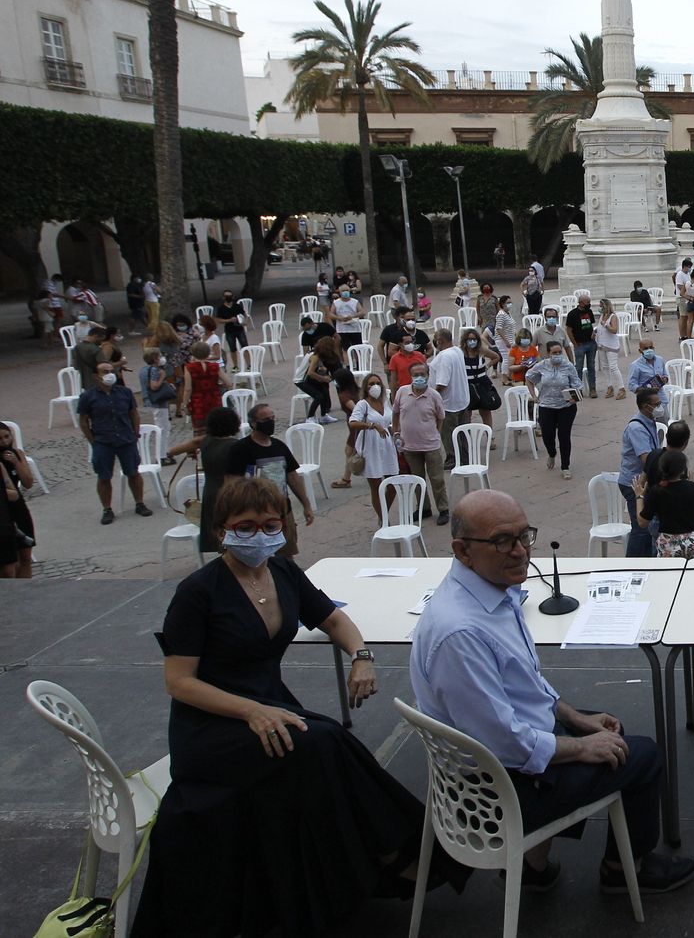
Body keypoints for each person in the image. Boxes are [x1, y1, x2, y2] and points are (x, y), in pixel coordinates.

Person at [132, 477, 454, 938]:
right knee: (323, 743)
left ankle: (388, 857)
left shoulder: (282, 572)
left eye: (269, 524)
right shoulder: (198, 592)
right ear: (222, 531)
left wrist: (360, 656)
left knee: (328, 745)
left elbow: (334, 618)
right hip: (212, 727)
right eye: (246, 526)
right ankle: (394, 854)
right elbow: (179, 683)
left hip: (271, 706)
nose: (260, 534)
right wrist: (250, 712)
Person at [411, 489, 694, 894]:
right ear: (462, 550)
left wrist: (577, 719)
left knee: (608, 730)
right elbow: (506, 743)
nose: (520, 551)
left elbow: (524, 683)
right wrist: (582, 747)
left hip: (502, 758)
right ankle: (621, 870)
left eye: (524, 536)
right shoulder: (460, 632)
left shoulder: (487, 590)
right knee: (642, 753)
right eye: (502, 541)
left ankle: (532, 867)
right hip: (497, 791)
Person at [224, 404, 316, 558]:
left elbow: (292, 476)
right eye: (266, 419)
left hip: (281, 510)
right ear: (253, 423)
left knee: (286, 554)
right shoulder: (240, 449)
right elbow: (231, 482)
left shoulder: (279, 446)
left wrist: (306, 505)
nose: (271, 422)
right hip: (254, 512)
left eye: (272, 418)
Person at [75, 358, 150, 525]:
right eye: (105, 372)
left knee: (133, 472)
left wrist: (135, 433)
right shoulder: (88, 396)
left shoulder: (125, 392)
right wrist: (93, 441)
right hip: (103, 441)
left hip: (126, 439)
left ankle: (140, 503)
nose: (110, 375)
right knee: (104, 476)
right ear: (96, 376)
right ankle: (107, 509)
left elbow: (134, 413)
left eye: (111, 371)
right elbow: (83, 421)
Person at [170, 406, 242, 555]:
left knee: (218, 532)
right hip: (231, 492)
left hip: (210, 492)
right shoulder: (235, 446)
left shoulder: (206, 441)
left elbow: (175, 450)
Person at [393, 360, 451, 526]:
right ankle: (424, 508)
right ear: (411, 376)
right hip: (409, 446)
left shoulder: (434, 395)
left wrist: (435, 434)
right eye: (415, 375)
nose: (419, 378)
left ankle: (443, 509)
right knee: (417, 479)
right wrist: (397, 432)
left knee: (437, 479)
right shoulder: (402, 392)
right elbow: (396, 413)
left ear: (428, 376)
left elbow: (441, 418)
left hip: (430, 445)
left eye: (422, 374)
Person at [344, 373, 399, 519]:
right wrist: (372, 426)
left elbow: (391, 420)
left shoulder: (385, 401)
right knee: (376, 486)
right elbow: (353, 422)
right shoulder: (363, 405)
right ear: (366, 387)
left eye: (377, 383)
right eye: (371, 384)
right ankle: (383, 519)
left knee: (392, 483)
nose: (375, 386)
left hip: (387, 445)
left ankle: (384, 514)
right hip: (371, 446)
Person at [619, 387, 664, 558]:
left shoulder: (649, 420)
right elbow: (647, 459)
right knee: (640, 527)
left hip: (645, 480)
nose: (660, 407)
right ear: (646, 407)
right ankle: (632, 564)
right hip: (635, 482)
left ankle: (646, 560)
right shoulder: (636, 428)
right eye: (657, 404)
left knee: (648, 527)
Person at [528, 340, 582, 479]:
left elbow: (577, 384)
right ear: (548, 353)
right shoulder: (541, 366)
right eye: (554, 353)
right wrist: (533, 395)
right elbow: (529, 378)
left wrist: (574, 397)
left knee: (564, 436)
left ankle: (565, 466)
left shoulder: (568, 366)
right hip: (546, 405)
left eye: (560, 352)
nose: (557, 355)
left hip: (566, 406)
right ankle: (552, 453)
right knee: (547, 435)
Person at [638, 449, 694, 559]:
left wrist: (639, 496)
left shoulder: (657, 491)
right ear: (683, 470)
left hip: (668, 544)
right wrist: (691, 486)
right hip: (691, 543)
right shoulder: (692, 487)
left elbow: (642, 522)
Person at [0, 420, 39, 577]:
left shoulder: (17, 454)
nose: (4, 442)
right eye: (0, 439)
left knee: (25, 556)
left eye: (6, 437)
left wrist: (16, 462)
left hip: (18, 507)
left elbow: (28, 483)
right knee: (10, 562)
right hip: (4, 511)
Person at [429, 328, 471, 467]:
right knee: (462, 431)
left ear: (439, 341)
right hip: (461, 399)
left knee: (449, 433)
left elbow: (442, 383)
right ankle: (465, 457)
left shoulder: (444, 357)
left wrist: (432, 397)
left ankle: (453, 459)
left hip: (449, 402)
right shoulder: (457, 351)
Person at [460, 327, 503, 430]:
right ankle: (468, 437)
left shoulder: (481, 350)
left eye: (474, 339)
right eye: (469, 339)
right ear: (465, 341)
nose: (472, 342)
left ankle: (490, 435)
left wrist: (487, 366)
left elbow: (496, 357)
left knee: (485, 410)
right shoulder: (460, 352)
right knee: (467, 412)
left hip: (482, 383)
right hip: (468, 384)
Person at [139, 346, 179, 450]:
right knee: (163, 428)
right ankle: (162, 454)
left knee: (162, 426)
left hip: (152, 401)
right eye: (160, 356)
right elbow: (154, 386)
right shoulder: (154, 370)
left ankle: (162, 452)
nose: (162, 358)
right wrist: (162, 377)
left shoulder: (144, 369)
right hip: (159, 402)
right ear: (155, 358)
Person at [297, 335, 344, 425]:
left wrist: (323, 370)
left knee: (325, 390)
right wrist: (322, 378)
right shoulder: (315, 356)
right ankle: (310, 417)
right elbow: (310, 373)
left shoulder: (319, 354)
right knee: (318, 396)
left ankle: (323, 415)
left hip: (307, 378)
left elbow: (317, 367)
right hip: (301, 380)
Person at [565, 291, 600, 397]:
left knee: (591, 366)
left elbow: (591, 325)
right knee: (578, 368)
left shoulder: (589, 312)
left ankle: (592, 388)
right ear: (580, 303)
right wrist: (574, 343)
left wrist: (594, 334)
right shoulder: (572, 314)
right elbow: (569, 329)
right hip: (579, 344)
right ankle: (578, 388)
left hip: (591, 343)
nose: (588, 304)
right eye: (586, 302)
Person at [215, 290, 249, 371]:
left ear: (233, 297)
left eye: (229, 296)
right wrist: (229, 320)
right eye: (226, 296)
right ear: (223, 297)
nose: (228, 298)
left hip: (239, 329)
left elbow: (245, 315)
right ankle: (235, 366)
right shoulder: (221, 308)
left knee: (245, 347)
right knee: (232, 349)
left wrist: (245, 322)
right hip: (229, 331)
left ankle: (249, 365)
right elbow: (218, 320)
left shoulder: (237, 306)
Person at [328, 284, 364, 353]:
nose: (345, 292)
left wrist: (353, 316)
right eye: (343, 291)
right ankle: (348, 363)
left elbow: (362, 312)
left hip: (355, 328)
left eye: (347, 290)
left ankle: (358, 362)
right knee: (345, 349)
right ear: (340, 292)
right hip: (342, 329)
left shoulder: (355, 301)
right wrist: (339, 318)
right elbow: (330, 314)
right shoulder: (336, 302)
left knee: (357, 348)